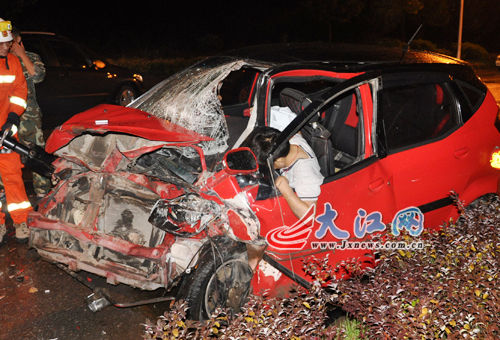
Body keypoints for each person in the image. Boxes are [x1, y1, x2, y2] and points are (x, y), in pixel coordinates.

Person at [0, 19, 32, 243]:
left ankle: (22, 222)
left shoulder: (13, 62)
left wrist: (12, 118)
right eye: (1, 43)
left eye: (8, 43)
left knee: (14, 178)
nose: (5, 47)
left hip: (7, 133)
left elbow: (20, 93)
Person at [246, 126, 324, 219]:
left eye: (268, 164)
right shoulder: (293, 139)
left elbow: (309, 216)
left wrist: (285, 189)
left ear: (278, 160)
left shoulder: (305, 174)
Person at [10, 26, 51, 197]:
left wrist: (22, 55)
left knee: (36, 156)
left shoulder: (31, 58)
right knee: (8, 159)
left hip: (30, 118)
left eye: (16, 43)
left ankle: (43, 195)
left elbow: (38, 75)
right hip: (7, 119)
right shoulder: (3, 61)